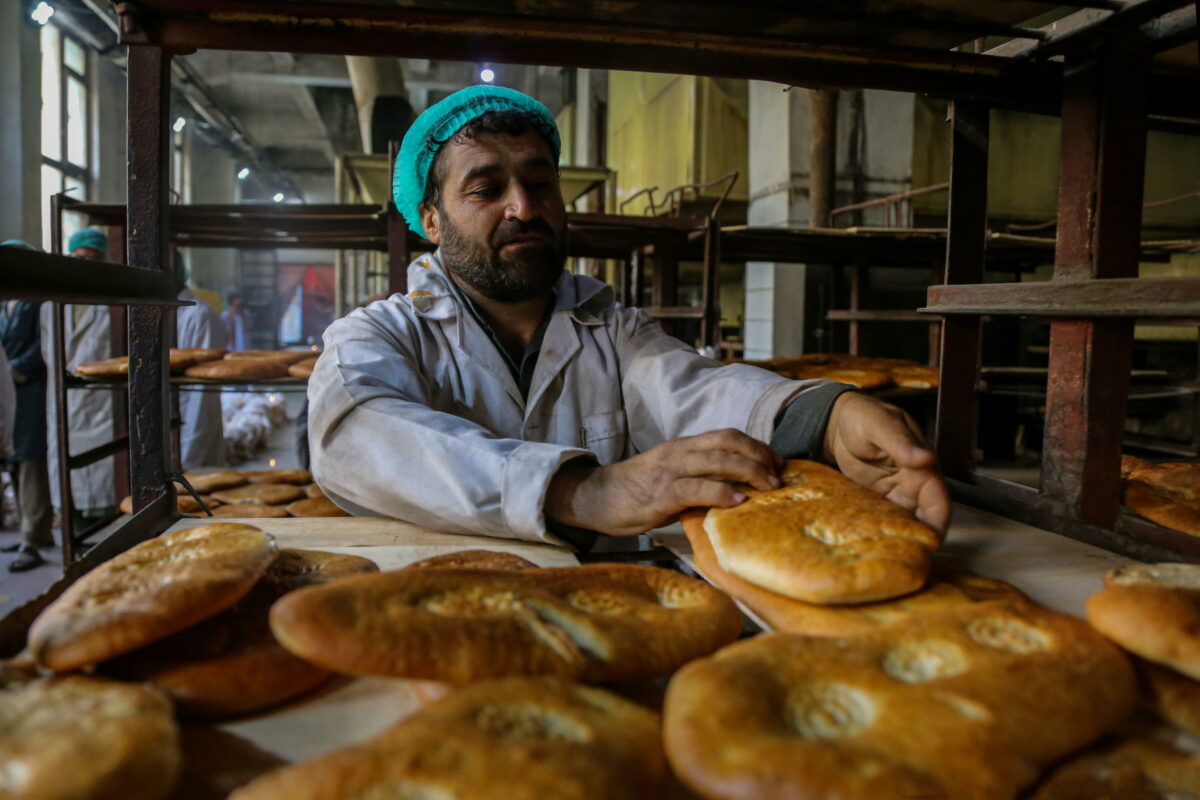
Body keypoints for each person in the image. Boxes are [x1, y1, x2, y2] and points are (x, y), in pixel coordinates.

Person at [307, 86, 949, 549]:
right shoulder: (381, 333)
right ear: (431, 221)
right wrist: (582, 491)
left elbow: (693, 389)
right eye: (486, 189)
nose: (524, 208)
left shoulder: (610, 327)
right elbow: (357, 434)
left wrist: (829, 419)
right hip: (447, 612)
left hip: (610, 608)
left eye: (540, 183)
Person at [41, 228, 118, 533]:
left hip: (100, 408)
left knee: (102, 505)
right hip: (63, 401)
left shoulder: (112, 305)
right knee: (68, 485)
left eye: (94, 259)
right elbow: (50, 353)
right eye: (79, 258)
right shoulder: (51, 305)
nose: (86, 263)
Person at [0, 240, 53, 571]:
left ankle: (32, 539)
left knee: (32, 460)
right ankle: (30, 531)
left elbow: (43, 345)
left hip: (31, 390)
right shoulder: (5, 304)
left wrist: (15, 369)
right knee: (14, 460)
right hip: (9, 393)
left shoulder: (38, 303)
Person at [173, 255, 226, 469]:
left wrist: (188, 455)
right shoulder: (151, 311)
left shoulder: (199, 316)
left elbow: (202, 393)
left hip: (191, 437)